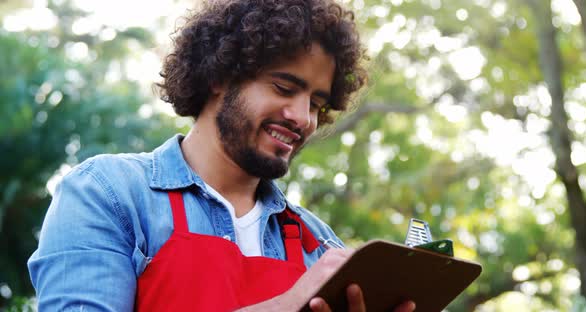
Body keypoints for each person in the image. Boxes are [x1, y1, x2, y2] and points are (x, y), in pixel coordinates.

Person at [28, 0, 416, 311]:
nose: (303, 118)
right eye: (283, 87)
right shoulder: (109, 193)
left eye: (316, 103)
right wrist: (287, 305)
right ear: (220, 76)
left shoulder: (319, 243)